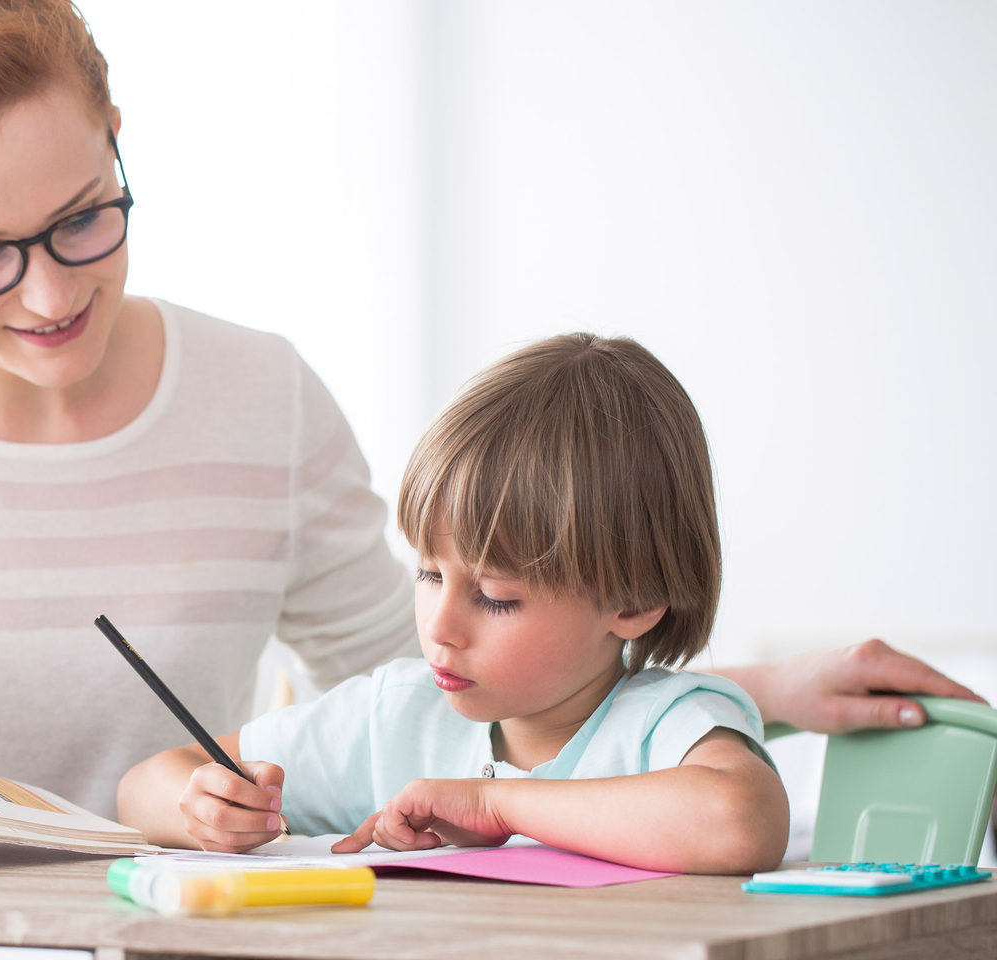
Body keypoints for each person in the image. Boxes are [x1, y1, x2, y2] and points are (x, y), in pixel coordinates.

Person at [0, 0, 978, 842]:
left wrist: (745, 690)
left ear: (122, 141)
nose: (48, 294)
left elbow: (447, 693)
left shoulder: (259, 396)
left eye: (83, 221)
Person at [119, 335, 794, 872]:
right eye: (429, 574)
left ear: (637, 600)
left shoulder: (665, 728)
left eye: (496, 598)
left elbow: (741, 821)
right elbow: (143, 785)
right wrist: (203, 809)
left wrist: (495, 803)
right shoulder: (393, 718)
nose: (439, 628)